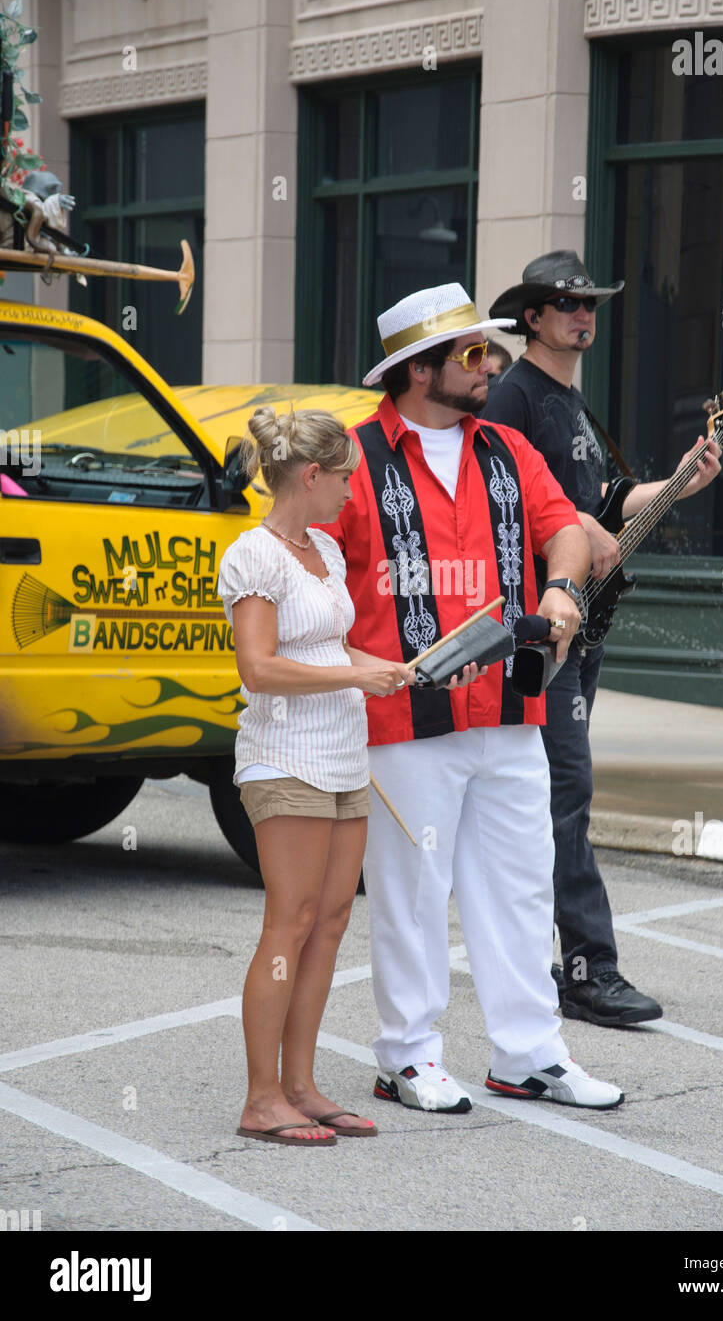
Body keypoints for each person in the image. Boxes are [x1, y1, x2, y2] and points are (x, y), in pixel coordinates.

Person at [316, 281, 625, 1112]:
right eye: (472, 353)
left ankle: (528, 1053)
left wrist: (560, 590)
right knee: (412, 892)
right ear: (418, 370)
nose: (489, 363)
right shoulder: (351, 458)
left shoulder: (505, 449)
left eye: (487, 350)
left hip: (509, 705)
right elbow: (311, 569)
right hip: (400, 717)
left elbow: (562, 525)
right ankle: (406, 1056)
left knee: (521, 885)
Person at [486, 250, 722, 1025]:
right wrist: (580, 530)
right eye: (567, 305)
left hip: (582, 630)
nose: (583, 316)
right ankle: (588, 968)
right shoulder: (513, 398)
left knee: (549, 798)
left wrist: (682, 479)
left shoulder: (573, 406)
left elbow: (612, 500)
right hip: (543, 630)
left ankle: (534, 956)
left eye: (590, 305)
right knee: (564, 795)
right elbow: (510, 504)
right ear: (532, 317)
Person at [217, 405, 416, 1146]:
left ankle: (298, 1085)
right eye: (342, 479)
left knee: (330, 924)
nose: (349, 494)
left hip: (342, 756)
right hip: (283, 758)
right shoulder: (254, 555)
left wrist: (382, 670)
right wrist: (355, 676)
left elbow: (336, 652)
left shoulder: (325, 554)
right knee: (290, 922)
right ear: (309, 475)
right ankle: (260, 1097)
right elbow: (260, 669)